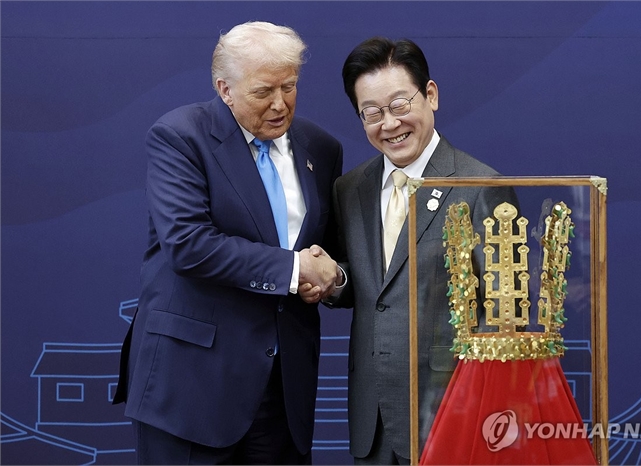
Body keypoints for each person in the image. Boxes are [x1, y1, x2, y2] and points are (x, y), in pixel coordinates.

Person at [113, 21, 343, 465]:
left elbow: (328, 254)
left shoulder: (321, 148)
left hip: (282, 396)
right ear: (225, 89)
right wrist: (295, 271)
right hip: (192, 390)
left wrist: (331, 278)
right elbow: (188, 244)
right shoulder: (180, 136)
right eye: (263, 92)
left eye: (289, 86)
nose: (280, 104)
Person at [321, 37, 517, 464]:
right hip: (372, 416)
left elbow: (505, 311)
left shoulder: (480, 186)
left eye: (399, 105)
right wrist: (334, 280)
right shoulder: (349, 189)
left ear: (431, 95)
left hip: (450, 412)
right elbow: (369, 284)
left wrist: (480, 402)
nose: (389, 124)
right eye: (372, 113)